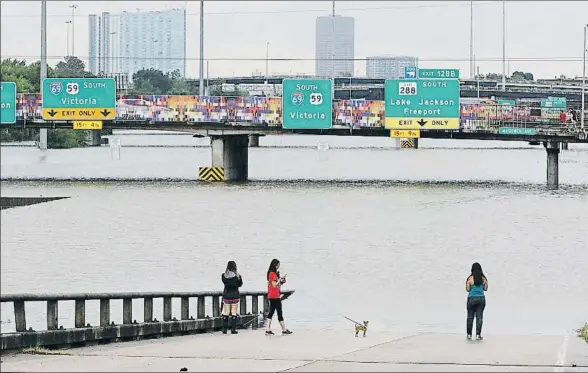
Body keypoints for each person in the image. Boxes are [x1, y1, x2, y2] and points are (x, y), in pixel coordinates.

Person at [265, 258, 292, 336]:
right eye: (278, 265)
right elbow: (274, 285)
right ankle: (283, 329)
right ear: (274, 265)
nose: (278, 266)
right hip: (274, 296)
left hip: (273, 295)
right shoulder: (272, 274)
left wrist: (281, 280)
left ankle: (268, 329)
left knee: (271, 312)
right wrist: (279, 279)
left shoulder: (273, 273)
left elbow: (278, 284)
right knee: (279, 312)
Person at [465, 262, 488, 340]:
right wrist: (485, 283)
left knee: (470, 317)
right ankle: (478, 335)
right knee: (479, 317)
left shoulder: (470, 278)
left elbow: (468, 289)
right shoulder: (483, 278)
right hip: (481, 299)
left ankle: (469, 334)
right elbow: (485, 289)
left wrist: (469, 284)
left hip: (471, 298)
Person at [221, 261, 243, 335]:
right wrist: (238, 278)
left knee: (226, 313)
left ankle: (224, 329)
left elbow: (224, 282)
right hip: (235, 296)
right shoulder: (237, 276)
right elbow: (240, 284)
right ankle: (233, 330)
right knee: (234, 312)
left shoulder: (224, 275)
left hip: (226, 296)